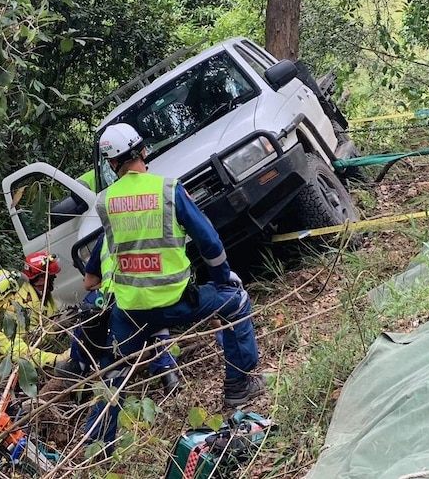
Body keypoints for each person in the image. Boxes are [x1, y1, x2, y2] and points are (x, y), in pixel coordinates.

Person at [84, 122, 263, 449]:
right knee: (236, 301)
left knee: (113, 374)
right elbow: (209, 242)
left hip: (131, 311)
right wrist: (224, 278)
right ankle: (239, 386)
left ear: (112, 165)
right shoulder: (168, 190)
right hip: (175, 300)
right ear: (144, 151)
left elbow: (104, 254)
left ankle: (96, 444)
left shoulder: (105, 202)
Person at [63, 235, 183, 396]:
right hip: (149, 294)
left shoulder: (105, 237)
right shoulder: (148, 227)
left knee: (90, 310)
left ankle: (80, 367)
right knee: (153, 319)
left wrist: (109, 280)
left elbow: (88, 283)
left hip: (113, 298)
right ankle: (168, 373)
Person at [15, 251, 61, 333]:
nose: (55, 277)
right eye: (52, 276)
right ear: (42, 277)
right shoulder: (27, 305)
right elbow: (30, 339)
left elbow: (54, 312)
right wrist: (55, 327)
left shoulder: (42, 292)